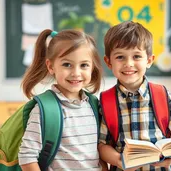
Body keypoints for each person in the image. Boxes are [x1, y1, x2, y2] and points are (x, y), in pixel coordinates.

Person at [98, 21, 171, 171]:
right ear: (108, 62)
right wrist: (118, 161)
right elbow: (101, 144)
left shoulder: (162, 94)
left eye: (136, 56)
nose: (128, 63)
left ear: (149, 60)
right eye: (120, 57)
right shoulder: (106, 100)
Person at [19, 29, 107, 171]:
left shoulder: (93, 105)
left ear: (92, 67)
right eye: (67, 64)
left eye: (84, 65)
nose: (76, 73)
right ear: (51, 66)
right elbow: (27, 157)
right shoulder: (44, 109)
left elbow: (98, 152)